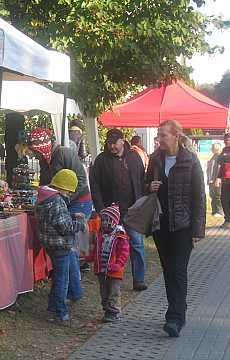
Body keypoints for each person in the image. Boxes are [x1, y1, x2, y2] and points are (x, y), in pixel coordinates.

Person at [145, 119, 206, 337]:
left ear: (176, 136)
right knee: (169, 272)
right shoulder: (155, 159)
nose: (159, 139)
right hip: (161, 225)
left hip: (183, 225)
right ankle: (177, 309)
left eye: (163, 135)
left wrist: (197, 231)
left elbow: (199, 197)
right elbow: (144, 185)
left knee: (178, 271)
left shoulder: (190, 161)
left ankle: (175, 318)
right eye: (158, 135)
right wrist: (148, 187)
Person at [28, 127, 93, 303]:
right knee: (65, 247)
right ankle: (69, 290)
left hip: (79, 200)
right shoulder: (44, 160)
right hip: (61, 201)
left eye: (35, 152)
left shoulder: (64, 153)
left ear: (42, 147)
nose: (34, 156)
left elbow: (81, 178)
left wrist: (65, 198)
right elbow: (45, 181)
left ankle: (73, 291)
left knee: (68, 247)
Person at [90, 128, 148, 291]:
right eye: (109, 143)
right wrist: (100, 208)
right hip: (110, 211)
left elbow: (142, 179)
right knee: (109, 244)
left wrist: (142, 200)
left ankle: (139, 279)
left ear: (123, 141)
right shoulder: (101, 160)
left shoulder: (134, 157)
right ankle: (111, 277)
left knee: (136, 243)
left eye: (115, 143)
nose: (112, 146)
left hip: (132, 210)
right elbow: (94, 184)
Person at [35, 169, 89, 328]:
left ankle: (52, 310)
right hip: (59, 244)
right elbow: (63, 225)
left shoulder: (45, 198)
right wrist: (79, 226)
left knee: (59, 279)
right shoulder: (57, 200)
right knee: (62, 282)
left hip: (49, 243)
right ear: (65, 187)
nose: (69, 195)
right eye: (69, 191)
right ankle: (62, 315)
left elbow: (54, 217)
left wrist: (72, 215)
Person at [79, 204, 129, 323]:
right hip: (101, 268)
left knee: (113, 290)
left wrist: (118, 265)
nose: (105, 223)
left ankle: (114, 311)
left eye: (108, 220)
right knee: (104, 290)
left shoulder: (120, 236)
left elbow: (124, 254)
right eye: (103, 220)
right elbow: (96, 251)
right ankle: (107, 309)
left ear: (114, 221)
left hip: (114, 269)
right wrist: (87, 259)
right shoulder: (100, 235)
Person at [207, 142, 223, 217]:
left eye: (212, 148)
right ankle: (214, 210)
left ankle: (219, 211)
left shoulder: (219, 156)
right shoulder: (213, 156)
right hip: (211, 179)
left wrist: (217, 179)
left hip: (216, 179)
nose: (211, 149)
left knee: (218, 196)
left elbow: (219, 169)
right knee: (212, 195)